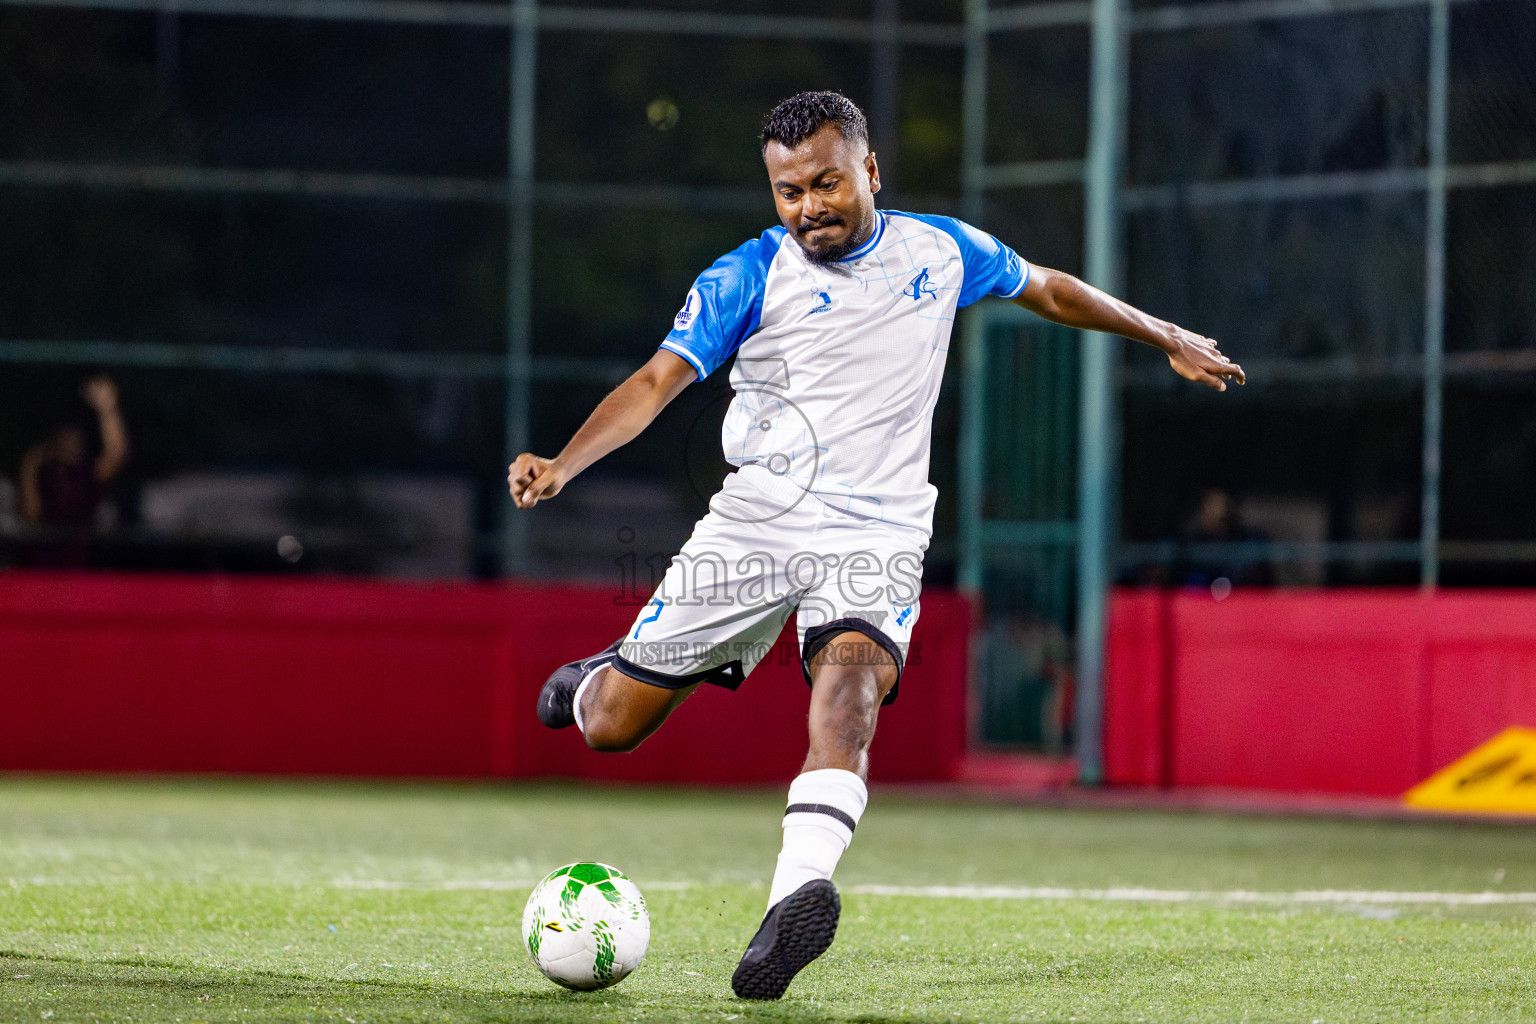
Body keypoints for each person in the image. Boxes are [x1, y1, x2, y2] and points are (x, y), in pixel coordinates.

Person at [508, 92, 1243, 1000]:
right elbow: (657, 381)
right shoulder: (748, 274)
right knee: (615, 728)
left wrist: (1163, 333)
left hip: (879, 531)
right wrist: (565, 464)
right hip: (759, 521)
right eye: (788, 192)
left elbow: (1048, 287)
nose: (808, 206)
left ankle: (794, 899)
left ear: (870, 172)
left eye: (826, 183)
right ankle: (598, 679)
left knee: (851, 693)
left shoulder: (941, 251)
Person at [17, 375, 130, 568]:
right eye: (66, 440)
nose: (71, 446)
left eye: (76, 441)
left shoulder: (85, 473)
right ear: (55, 441)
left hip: (79, 563)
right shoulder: (42, 471)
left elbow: (116, 455)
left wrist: (107, 409)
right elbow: (31, 514)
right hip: (38, 564)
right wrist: (31, 464)